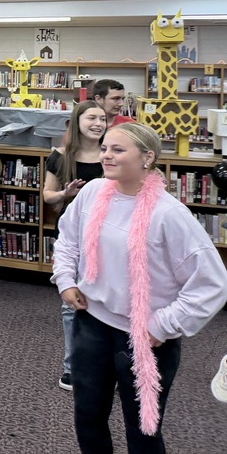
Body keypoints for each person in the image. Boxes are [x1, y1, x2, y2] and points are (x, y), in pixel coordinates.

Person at [52, 122, 227, 454]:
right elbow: (67, 240)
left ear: (147, 157)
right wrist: (65, 280)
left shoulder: (169, 214)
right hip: (91, 324)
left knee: (143, 430)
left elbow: (213, 283)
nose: (106, 155)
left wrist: (162, 325)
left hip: (145, 338)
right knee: (88, 417)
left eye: (118, 150)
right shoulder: (93, 191)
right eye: (104, 148)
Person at [42, 100, 107, 391]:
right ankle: (72, 368)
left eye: (102, 118)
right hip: (73, 238)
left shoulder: (113, 154)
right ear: (77, 122)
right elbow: (47, 196)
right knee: (72, 305)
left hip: (109, 237)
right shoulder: (59, 156)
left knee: (108, 302)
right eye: (91, 117)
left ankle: (106, 367)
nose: (98, 123)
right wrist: (65, 194)